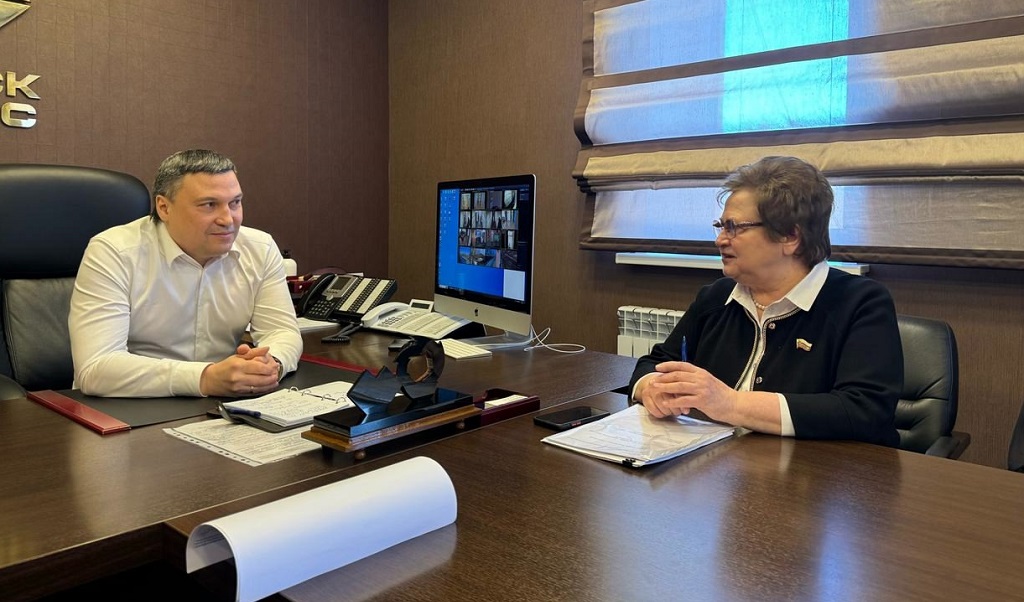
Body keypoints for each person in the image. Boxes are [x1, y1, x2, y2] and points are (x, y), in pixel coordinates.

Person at [629, 156, 902, 446]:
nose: (720, 240)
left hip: (815, 471)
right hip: (718, 463)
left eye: (734, 227)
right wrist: (651, 388)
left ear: (790, 236)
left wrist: (731, 404)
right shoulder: (716, 297)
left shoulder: (860, 302)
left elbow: (864, 410)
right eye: (720, 226)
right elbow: (654, 363)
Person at [69, 149, 302, 398]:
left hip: (223, 401)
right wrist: (206, 377)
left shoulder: (260, 248)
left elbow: (282, 331)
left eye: (235, 202)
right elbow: (95, 368)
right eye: (209, 205)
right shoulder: (114, 252)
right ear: (164, 208)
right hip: (128, 404)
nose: (228, 219)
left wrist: (270, 365)